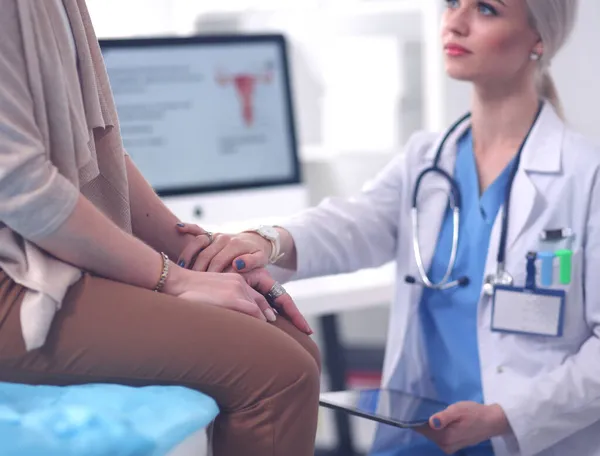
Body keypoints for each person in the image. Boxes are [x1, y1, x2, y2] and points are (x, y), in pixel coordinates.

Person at [176, 1, 600, 455]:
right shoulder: (426, 161)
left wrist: (503, 418)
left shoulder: (583, 175)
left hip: (522, 437)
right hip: (419, 434)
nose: (454, 22)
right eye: (453, 3)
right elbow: (355, 223)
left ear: (540, 38)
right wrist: (267, 240)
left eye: (486, 9)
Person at [0, 1, 320, 455]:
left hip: (35, 250)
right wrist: (176, 278)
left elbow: (92, 143)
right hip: (12, 273)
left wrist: (201, 253)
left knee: (296, 345)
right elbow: (22, 187)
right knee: (281, 374)